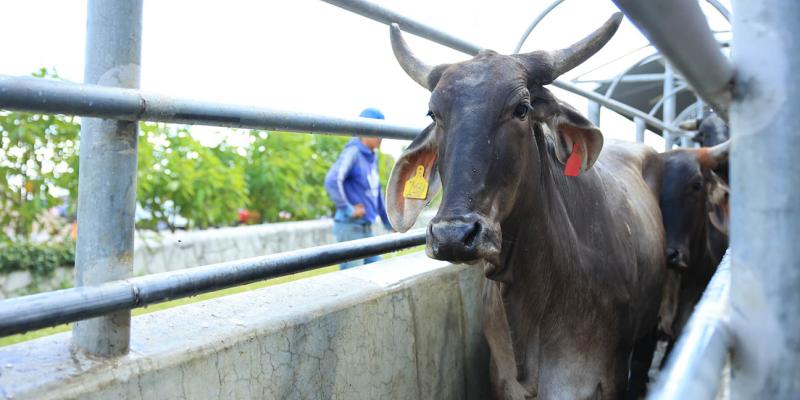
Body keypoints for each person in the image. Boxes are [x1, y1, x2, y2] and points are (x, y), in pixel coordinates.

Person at [324, 107, 393, 269]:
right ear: (365, 130)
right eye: (379, 131)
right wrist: (348, 209)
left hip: (366, 228)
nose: (382, 137)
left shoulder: (372, 155)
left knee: (378, 272)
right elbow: (332, 180)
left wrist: (389, 224)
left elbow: (376, 193)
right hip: (350, 227)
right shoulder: (353, 152)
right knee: (353, 279)